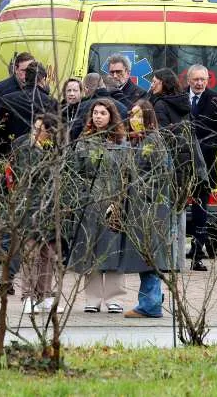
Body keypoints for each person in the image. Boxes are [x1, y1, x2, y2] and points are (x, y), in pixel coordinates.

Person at [121, 100, 181, 318]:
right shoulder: (138, 141)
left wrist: (140, 189)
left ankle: (151, 304)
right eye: (131, 116)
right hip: (142, 206)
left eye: (138, 116)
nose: (133, 120)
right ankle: (151, 300)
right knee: (145, 256)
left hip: (152, 207)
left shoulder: (153, 141)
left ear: (147, 117)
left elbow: (163, 174)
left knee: (149, 256)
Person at [71, 99, 129, 314]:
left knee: (113, 249)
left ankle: (114, 298)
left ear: (111, 116)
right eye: (95, 112)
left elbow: (126, 173)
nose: (98, 116)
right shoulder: (84, 142)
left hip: (114, 202)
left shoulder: (122, 142)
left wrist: (121, 200)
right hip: (90, 203)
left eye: (103, 113)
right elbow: (75, 171)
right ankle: (92, 298)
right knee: (91, 250)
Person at [13, 113, 65, 316]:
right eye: (34, 128)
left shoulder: (55, 149)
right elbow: (28, 177)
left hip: (52, 207)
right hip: (31, 206)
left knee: (49, 254)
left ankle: (44, 295)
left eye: (40, 129)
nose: (35, 132)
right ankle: (28, 296)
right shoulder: (27, 148)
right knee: (31, 253)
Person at [186, 65, 217, 271]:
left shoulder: (216, 99)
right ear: (189, 80)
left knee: (200, 208)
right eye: (195, 79)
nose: (199, 83)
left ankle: (197, 252)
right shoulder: (179, 98)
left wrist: (201, 149)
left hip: (206, 164)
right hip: (182, 163)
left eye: (203, 79)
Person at [0, 63, 60, 147]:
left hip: (10, 151)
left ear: (26, 78)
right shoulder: (52, 103)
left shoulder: (7, 99)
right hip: (39, 153)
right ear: (43, 79)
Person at [69, 73, 130, 143]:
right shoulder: (123, 107)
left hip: (87, 149)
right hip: (116, 149)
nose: (98, 116)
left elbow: (74, 135)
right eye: (95, 113)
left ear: (86, 89)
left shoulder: (82, 106)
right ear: (103, 86)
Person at [0, 52, 34, 118]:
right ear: (16, 69)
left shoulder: (37, 88)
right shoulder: (1, 88)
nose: (27, 74)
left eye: (30, 70)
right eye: (23, 70)